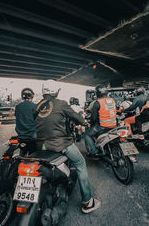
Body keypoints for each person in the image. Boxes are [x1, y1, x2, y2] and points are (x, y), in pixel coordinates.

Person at [35, 80, 101, 214]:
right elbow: (77, 118)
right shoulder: (61, 103)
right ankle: (88, 202)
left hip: (41, 145)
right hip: (60, 144)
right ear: (55, 91)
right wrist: (84, 122)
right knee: (81, 163)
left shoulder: (37, 106)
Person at [83, 84, 117, 157]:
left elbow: (94, 118)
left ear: (97, 93)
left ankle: (94, 151)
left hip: (102, 126)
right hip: (114, 125)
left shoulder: (97, 102)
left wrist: (90, 123)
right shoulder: (112, 100)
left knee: (87, 134)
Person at [15, 88, 37, 153]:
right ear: (32, 96)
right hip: (32, 134)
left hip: (20, 134)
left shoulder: (18, 106)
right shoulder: (35, 106)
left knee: (22, 150)